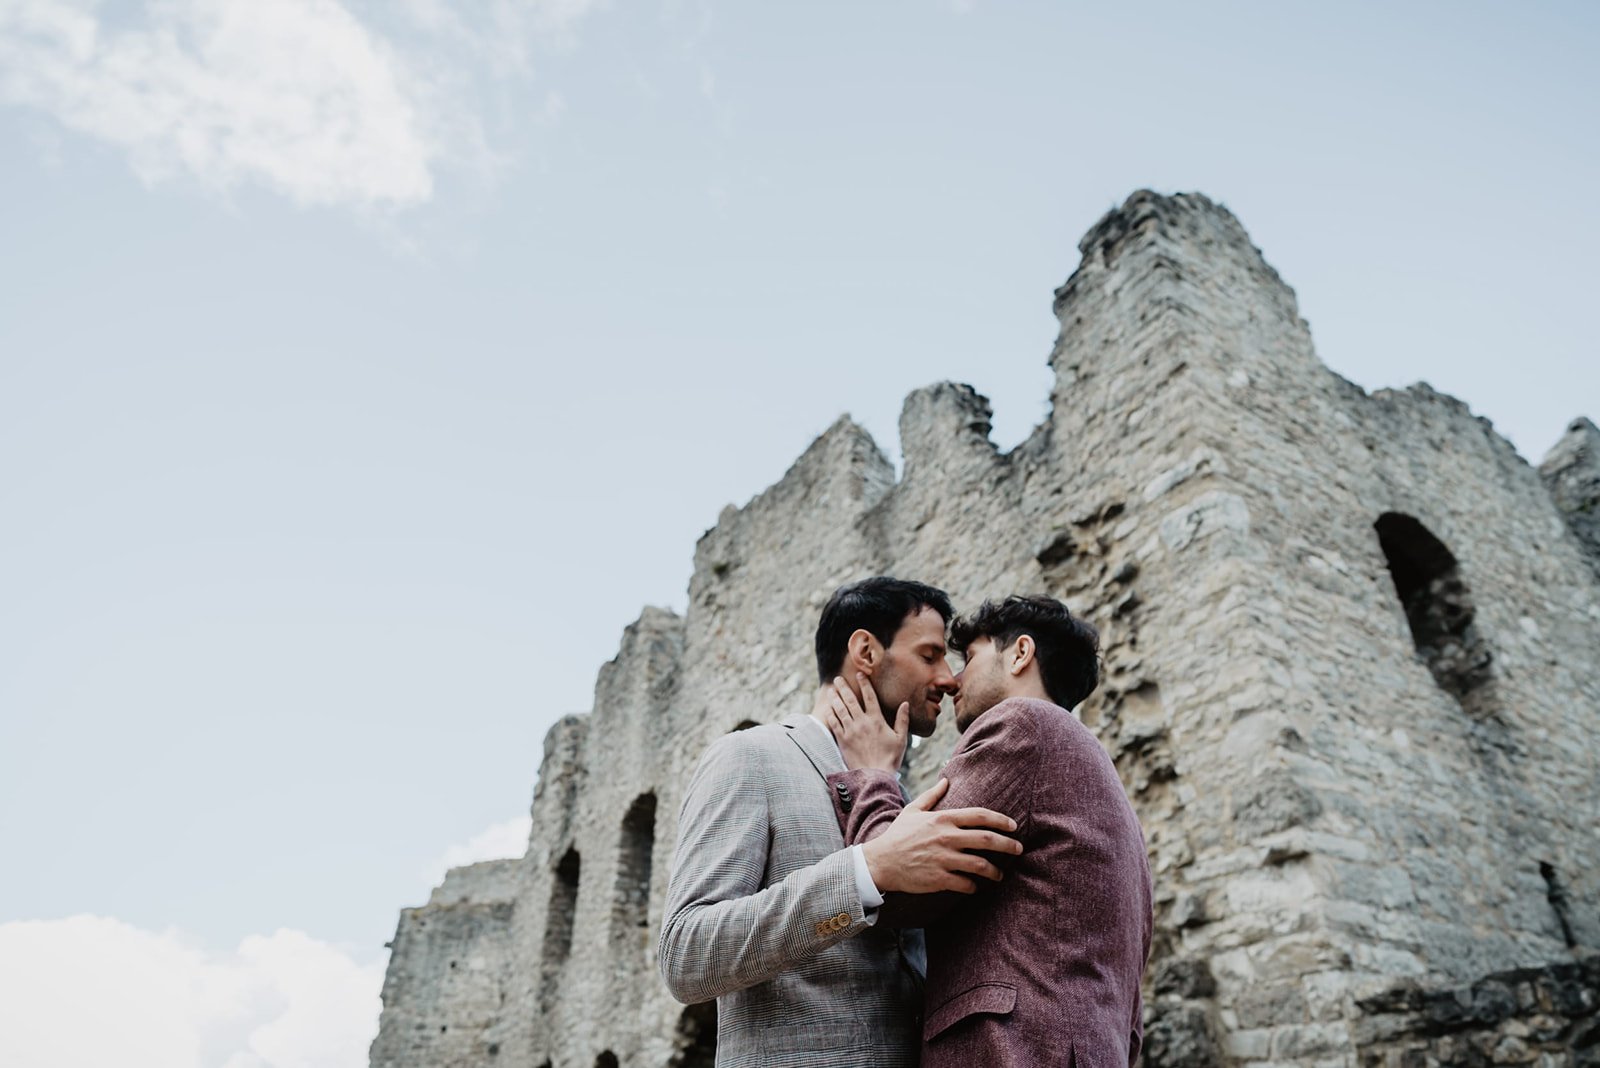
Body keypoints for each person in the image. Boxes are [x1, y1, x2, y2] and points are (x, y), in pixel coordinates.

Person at [658, 577, 1024, 1068]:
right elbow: (687, 954)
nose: (950, 679)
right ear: (866, 651)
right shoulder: (750, 757)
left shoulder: (902, 799)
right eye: (930, 655)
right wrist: (864, 873)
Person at [822, 594, 1154, 1068]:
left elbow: (898, 884)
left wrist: (874, 774)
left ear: (1020, 653)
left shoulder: (1022, 724)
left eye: (970, 657)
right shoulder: (1107, 792)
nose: (953, 681)